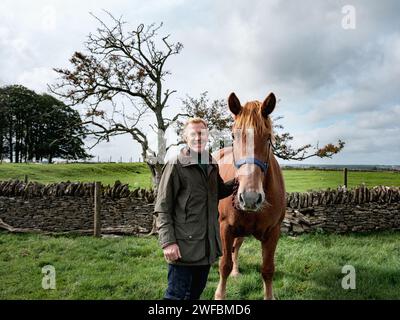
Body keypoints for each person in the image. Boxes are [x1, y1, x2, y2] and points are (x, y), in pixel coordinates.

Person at [154, 118, 235, 300]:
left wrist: (240, 181)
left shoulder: (211, 164)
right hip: (182, 247)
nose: (198, 137)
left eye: (202, 133)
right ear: (185, 137)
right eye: (193, 134)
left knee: (194, 294)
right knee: (176, 296)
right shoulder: (176, 164)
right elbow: (162, 207)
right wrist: (168, 242)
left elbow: (218, 191)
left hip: (206, 247)